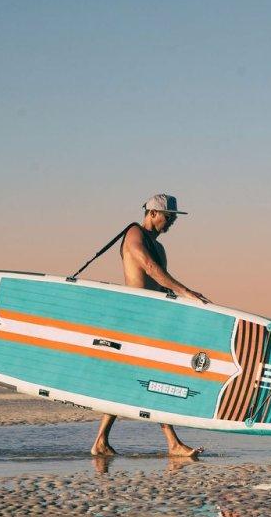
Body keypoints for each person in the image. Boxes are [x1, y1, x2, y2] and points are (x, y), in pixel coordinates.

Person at [90, 194, 210, 458]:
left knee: (135, 380)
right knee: (155, 378)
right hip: (135, 320)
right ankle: (172, 443)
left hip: (152, 322)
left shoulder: (160, 247)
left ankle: (101, 441)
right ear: (153, 213)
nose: (171, 223)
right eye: (169, 217)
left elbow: (159, 284)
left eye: (174, 219)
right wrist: (185, 291)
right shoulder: (134, 234)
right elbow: (150, 268)